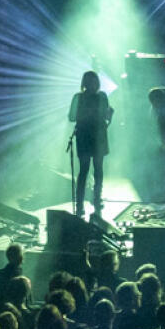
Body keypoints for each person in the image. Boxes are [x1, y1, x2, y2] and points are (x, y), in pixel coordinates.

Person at [68, 71, 114, 218]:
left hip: (85, 137)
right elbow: (106, 117)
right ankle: (95, 200)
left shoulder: (78, 97)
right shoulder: (102, 96)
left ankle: (81, 204)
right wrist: (109, 115)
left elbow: (71, 117)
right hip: (97, 137)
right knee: (96, 169)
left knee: (85, 171)